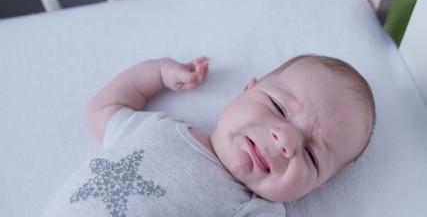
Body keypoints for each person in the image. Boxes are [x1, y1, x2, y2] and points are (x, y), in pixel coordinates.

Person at [41, 55, 375, 217]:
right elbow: (103, 108)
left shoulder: (254, 210)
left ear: (317, 185)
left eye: (312, 155)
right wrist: (156, 73)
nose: (285, 140)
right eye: (278, 107)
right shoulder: (157, 128)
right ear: (248, 89)